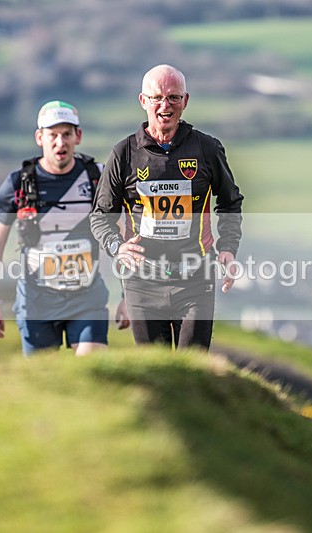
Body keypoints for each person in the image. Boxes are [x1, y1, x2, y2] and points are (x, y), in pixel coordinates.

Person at [90, 64, 243, 350]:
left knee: (191, 366)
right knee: (156, 368)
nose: (165, 105)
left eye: (174, 97)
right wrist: (116, 247)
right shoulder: (124, 153)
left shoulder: (207, 149)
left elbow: (230, 201)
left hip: (195, 279)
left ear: (185, 101)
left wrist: (228, 247)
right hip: (142, 281)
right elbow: (101, 216)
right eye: (157, 97)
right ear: (143, 101)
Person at [0, 100, 126, 356]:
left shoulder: (98, 178)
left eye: (67, 134)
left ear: (78, 136)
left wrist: (128, 297)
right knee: (42, 377)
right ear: (40, 137)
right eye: (53, 135)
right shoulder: (18, 183)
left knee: (91, 368)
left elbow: (123, 235)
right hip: (36, 301)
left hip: (86, 298)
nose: (61, 142)